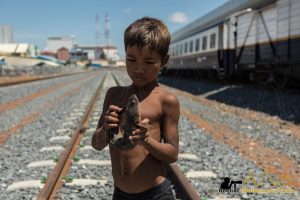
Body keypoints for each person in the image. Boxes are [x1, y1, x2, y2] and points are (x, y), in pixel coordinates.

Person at [91, 17, 180, 200]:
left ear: (164, 61)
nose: (139, 68)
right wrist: (106, 129)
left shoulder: (166, 100)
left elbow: (172, 154)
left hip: (155, 194)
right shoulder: (114, 95)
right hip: (120, 194)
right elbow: (97, 144)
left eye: (149, 62)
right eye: (131, 59)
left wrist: (146, 140)